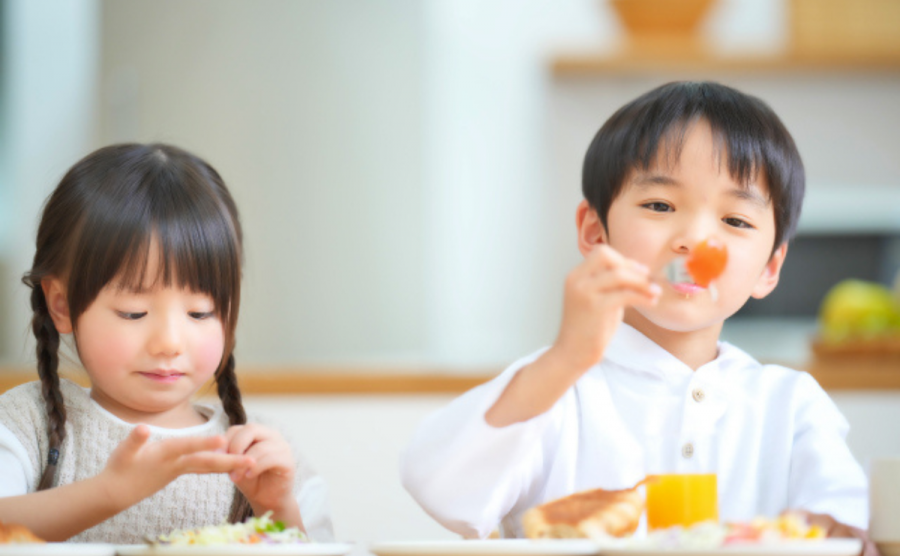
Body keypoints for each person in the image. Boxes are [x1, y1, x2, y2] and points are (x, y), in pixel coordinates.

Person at [400, 82, 872, 548]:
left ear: (770, 267)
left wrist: (836, 527)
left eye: (735, 221)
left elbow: (845, 525)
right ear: (595, 232)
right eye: (660, 205)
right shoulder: (555, 389)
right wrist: (565, 360)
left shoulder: (790, 406)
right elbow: (440, 487)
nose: (695, 240)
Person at [0, 143, 333, 543]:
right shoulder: (27, 425)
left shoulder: (257, 447)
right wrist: (108, 493)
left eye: (200, 313)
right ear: (61, 305)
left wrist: (275, 508)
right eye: (133, 312)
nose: (169, 343)